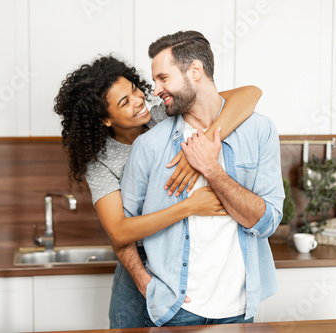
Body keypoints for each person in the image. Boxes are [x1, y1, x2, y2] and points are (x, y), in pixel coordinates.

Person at [53, 55, 262, 328]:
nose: (139, 101)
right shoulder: (100, 161)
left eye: (134, 90)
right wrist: (188, 207)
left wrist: (203, 145)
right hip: (140, 265)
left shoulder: (165, 114)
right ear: (105, 119)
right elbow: (119, 231)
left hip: (180, 260)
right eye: (124, 103)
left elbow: (250, 94)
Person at [120, 31, 285, 327]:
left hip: (239, 307)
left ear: (195, 70)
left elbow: (267, 222)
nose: (155, 90)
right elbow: (122, 231)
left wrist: (211, 169)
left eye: (163, 78)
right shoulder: (149, 145)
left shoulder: (259, 131)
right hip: (174, 309)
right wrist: (145, 283)